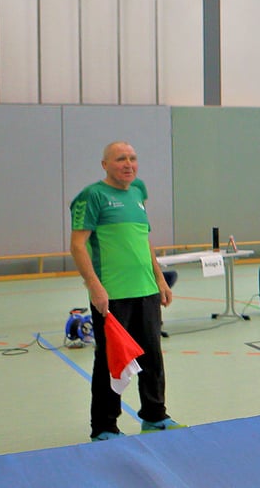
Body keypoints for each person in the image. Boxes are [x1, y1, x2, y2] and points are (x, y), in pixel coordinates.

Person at [70, 141, 184, 441]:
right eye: (121, 159)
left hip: (145, 291)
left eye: (133, 158)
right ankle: (104, 427)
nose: (128, 164)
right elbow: (78, 245)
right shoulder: (92, 196)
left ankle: (155, 416)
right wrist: (94, 286)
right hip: (112, 296)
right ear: (105, 164)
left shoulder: (138, 191)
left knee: (152, 357)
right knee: (111, 362)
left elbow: (144, 239)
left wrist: (159, 280)